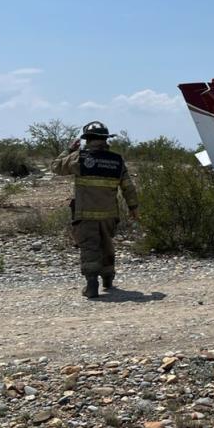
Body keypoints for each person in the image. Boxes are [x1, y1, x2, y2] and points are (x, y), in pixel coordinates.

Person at [51, 121, 138, 298]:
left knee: (90, 247)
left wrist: (68, 150)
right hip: (109, 215)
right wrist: (133, 207)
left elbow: (56, 167)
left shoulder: (79, 158)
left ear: (87, 139)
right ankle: (108, 280)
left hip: (85, 214)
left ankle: (91, 285)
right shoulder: (116, 160)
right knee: (107, 245)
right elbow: (128, 187)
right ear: (105, 139)